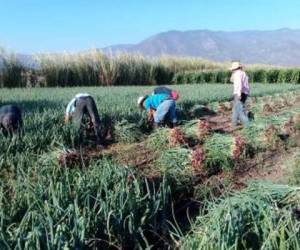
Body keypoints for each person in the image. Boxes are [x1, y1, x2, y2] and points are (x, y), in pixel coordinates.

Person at [229, 61, 250, 127]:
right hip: (244, 93)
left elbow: (239, 85)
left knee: (240, 111)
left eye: (232, 69)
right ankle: (233, 124)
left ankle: (248, 125)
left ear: (234, 68)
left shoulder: (237, 74)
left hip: (239, 93)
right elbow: (231, 80)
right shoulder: (243, 73)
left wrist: (238, 94)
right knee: (236, 109)